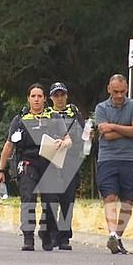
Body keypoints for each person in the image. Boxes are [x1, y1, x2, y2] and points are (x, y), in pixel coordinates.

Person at [0, 83, 71, 251]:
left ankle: (46, 234)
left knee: (51, 202)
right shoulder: (20, 120)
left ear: (45, 99)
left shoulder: (54, 118)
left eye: (39, 96)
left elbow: (68, 140)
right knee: (28, 199)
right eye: (33, 96)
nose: (36, 99)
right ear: (28, 99)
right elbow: (9, 146)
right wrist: (0, 171)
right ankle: (28, 237)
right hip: (28, 163)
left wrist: (62, 142)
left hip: (49, 162)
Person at [95, 74, 133, 254]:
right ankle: (112, 233)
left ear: (127, 89)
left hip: (129, 159)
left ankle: (117, 237)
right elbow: (105, 134)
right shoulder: (101, 108)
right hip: (107, 158)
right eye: (115, 91)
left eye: (122, 91)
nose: (119, 95)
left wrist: (113, 126)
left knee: (128, 200)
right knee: (109, 197)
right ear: (109, 89)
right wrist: (127, 129)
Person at [46, 82, 85, 250]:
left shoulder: (74, 113)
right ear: (51, 98)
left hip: (70, 159)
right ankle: (52, 234)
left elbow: (83, 134)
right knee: (51, 199)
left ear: (66, 96)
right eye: (56, 95)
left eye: (62, 95)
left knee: (67, 200)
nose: (59, 98)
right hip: (51, 160)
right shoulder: (46, 114)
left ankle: (64, 238)